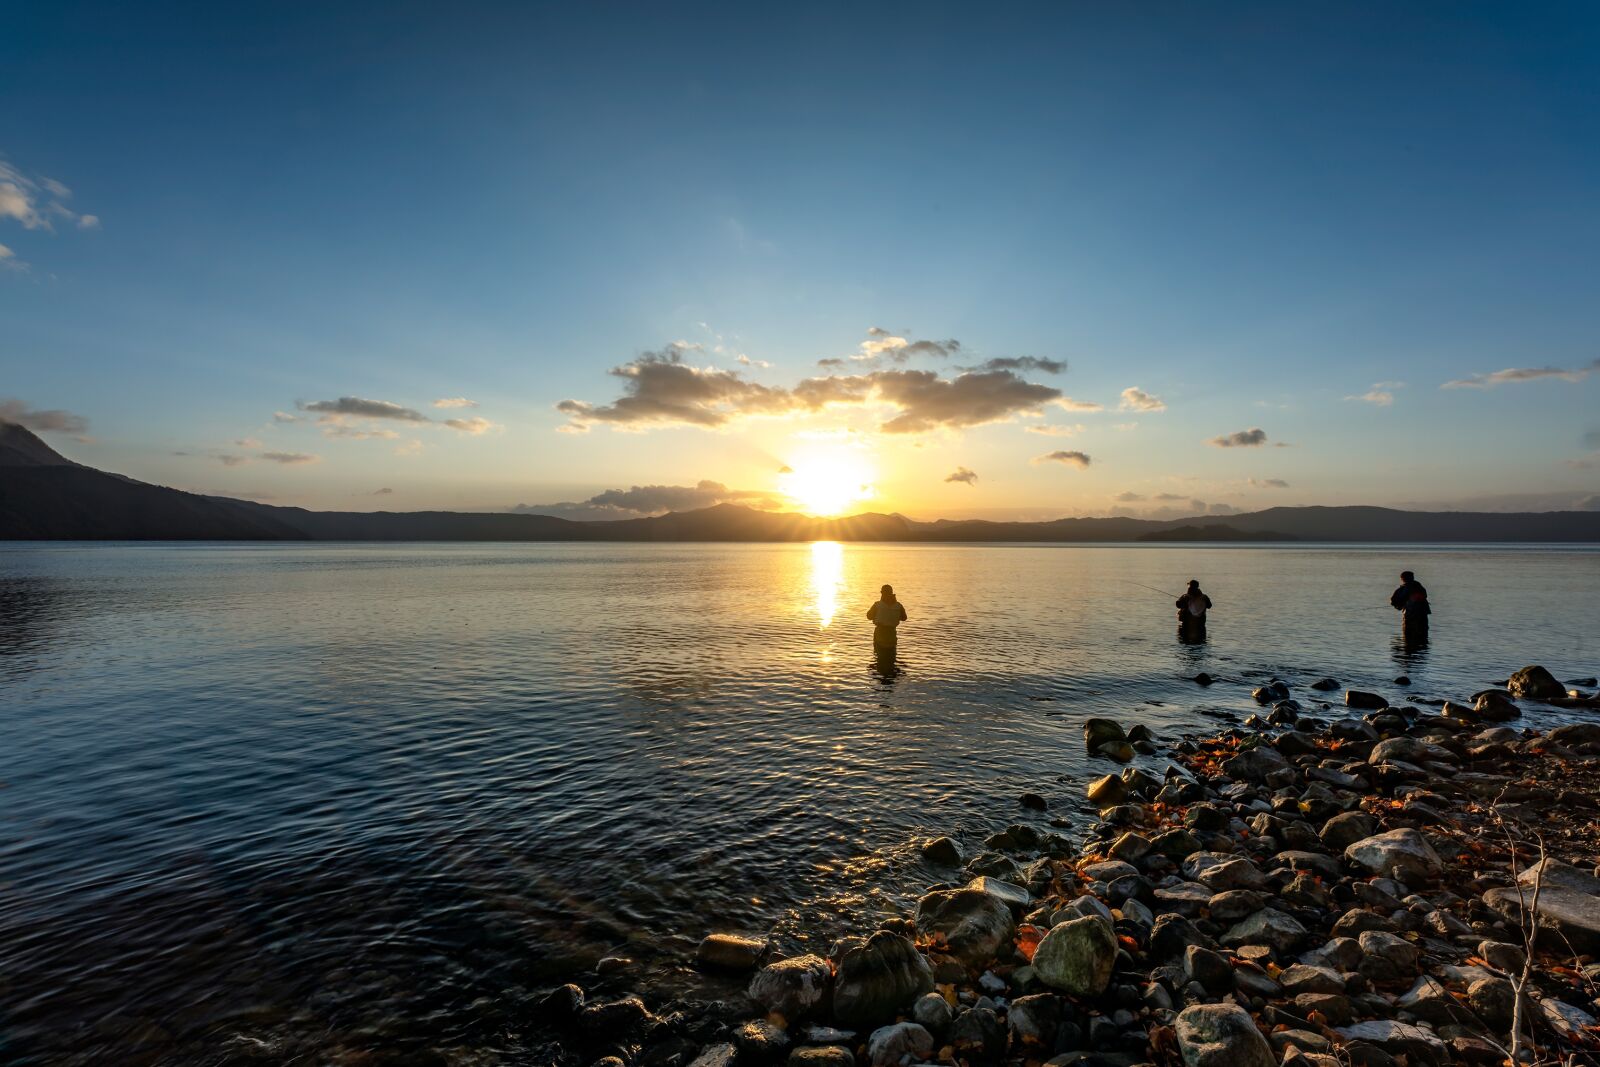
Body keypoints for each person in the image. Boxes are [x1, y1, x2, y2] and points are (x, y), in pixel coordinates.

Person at [1389, 570, 1430, 640]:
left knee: (1408, 636)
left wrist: (1398, 604)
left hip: (1411, 615)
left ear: (1402, 579)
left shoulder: (1403, 589)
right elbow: (1425, 595)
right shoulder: (1418, 587)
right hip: (1420, 614)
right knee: (1422, 635)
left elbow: (1393, 601)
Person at [867, 584, 908, 653]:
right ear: (891, 592)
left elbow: (869, 616)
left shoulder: (877, 605)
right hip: (892, 634)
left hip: (880, 633)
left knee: (879, 656)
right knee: (891, 656)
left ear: (882, 593)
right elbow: (904, 618)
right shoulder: (899, 605)